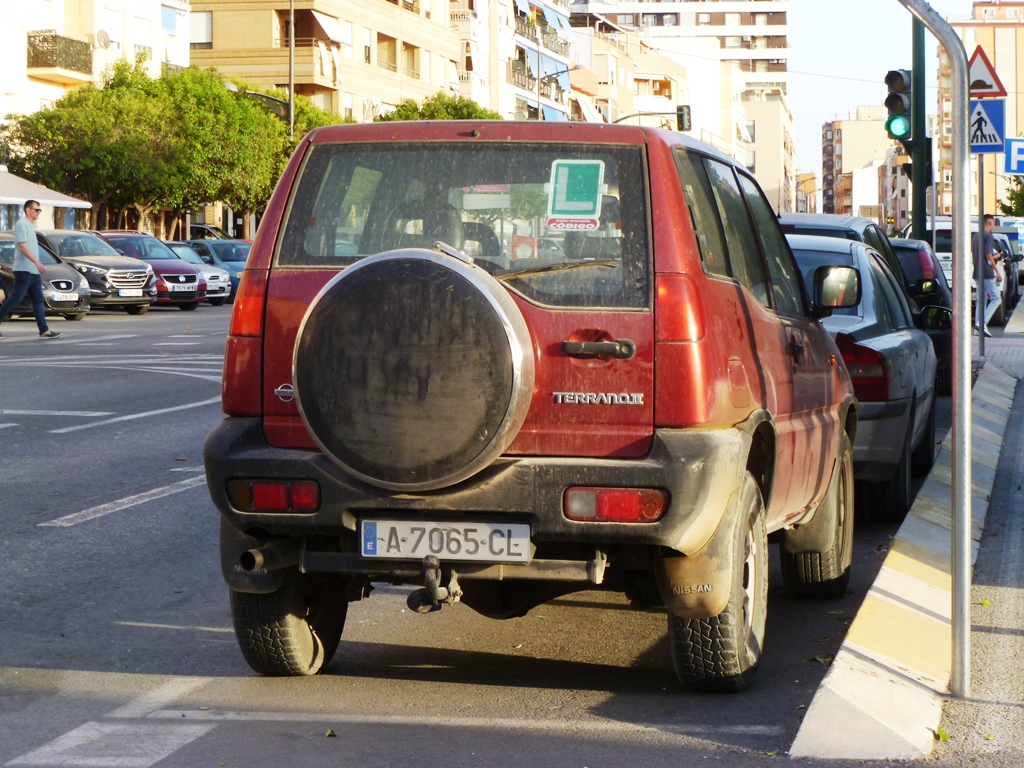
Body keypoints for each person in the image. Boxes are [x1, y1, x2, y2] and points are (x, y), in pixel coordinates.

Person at [0, 200, 62, 340]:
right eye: (36, 209)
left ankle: (44, 330)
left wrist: (36, 265)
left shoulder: (30, 226)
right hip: (24, 270)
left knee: (38, 300)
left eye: (40, 210)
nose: (39, 212)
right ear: (28, 210)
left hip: (33, 271)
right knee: (16, 298)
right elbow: (23, 246)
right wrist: (37, 262)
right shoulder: (21, 224)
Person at [973, 213, 1002, 339]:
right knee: (996, 298)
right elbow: (988, 255)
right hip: (986, 272)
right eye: (993, 224)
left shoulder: (976, 236)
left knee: (981, 300)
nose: (993, 227)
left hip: (977, 272)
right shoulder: (988, 236)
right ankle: (982, 323)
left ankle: (978, 328)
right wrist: (997, 271)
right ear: (990, 223)